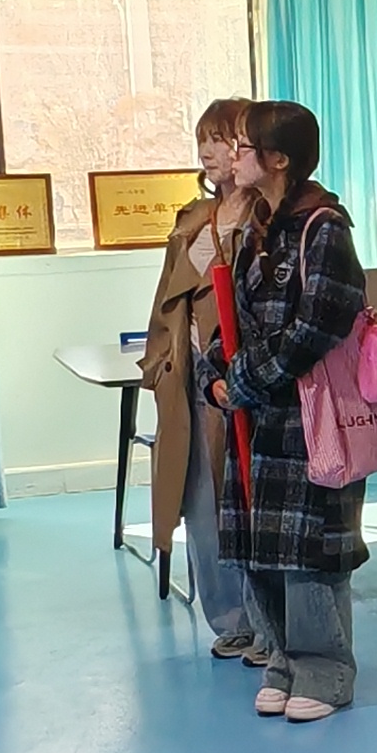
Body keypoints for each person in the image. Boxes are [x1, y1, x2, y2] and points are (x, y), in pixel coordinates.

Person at [200, 101, 372, 725]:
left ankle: (325, 670)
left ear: (278, 159)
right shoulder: (258, 226)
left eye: (245, 146)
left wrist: (246, 380)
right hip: (258, 418)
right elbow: (233, 320)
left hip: (308, 417)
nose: (234, 155)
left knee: (310, 554)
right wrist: (215, 374)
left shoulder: (324, 228)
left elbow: (319, 325)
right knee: (261, 549)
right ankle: (281, 661)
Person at [142, 97, 261, 658]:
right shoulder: (193, 217)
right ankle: (229, 617)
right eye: (203, 140)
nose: (209, 152)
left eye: (221, 139)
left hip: (244, 375)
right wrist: (157, 364)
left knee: (249, 497)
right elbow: (168, 300)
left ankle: (266, 618)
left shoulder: (267, 215)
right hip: (191, 374)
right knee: (201, 501)